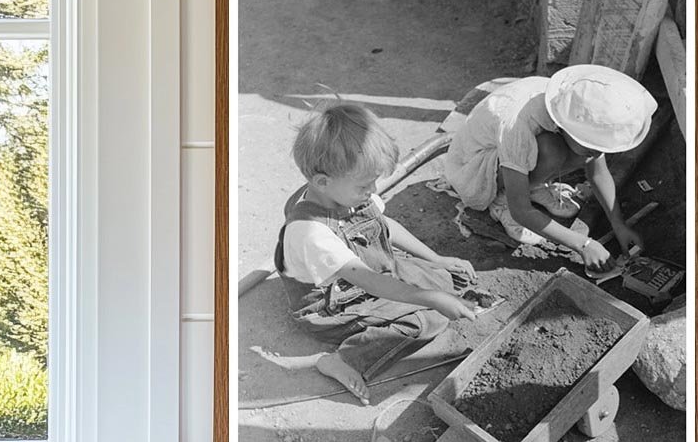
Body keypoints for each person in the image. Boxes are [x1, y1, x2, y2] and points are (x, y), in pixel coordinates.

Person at [272, 102, 477, 405]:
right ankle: (345, 360)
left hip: (357, 275)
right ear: (322, 182)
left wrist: (437, 260)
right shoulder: (311, 231)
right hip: (330, 304)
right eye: (365, 185)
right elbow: (369, 281)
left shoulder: (346, 193)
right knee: (425, 320)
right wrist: (430, 298)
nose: (373, 190)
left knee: (445, 279)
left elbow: (386, 227)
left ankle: (430, 287)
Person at [444, 64, 657, 273]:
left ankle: (531, 184)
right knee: (553, 150)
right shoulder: (518, 125)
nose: (596, 152)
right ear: (567, 128)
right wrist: (583, 244)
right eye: (591, 144)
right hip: (474, 166)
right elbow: (522, 211)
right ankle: (501, 201)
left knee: (576, 153)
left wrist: (618, 224)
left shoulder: (577, 109)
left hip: (514, 152)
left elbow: (598, 172)